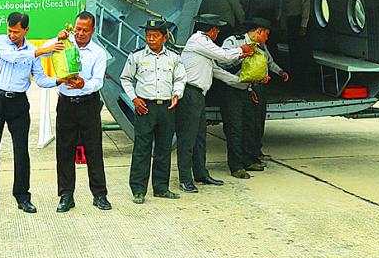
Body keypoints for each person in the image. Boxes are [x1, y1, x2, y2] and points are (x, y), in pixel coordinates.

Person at [0, 11, 61, 215]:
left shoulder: (32, 51)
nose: (12, 35)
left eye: (16, 32)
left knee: (21, 150)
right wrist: (41, 51)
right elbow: (13, 57)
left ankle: (22, 196)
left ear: (26, 30)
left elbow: (40, 79)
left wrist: (60, 81)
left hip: (19, 103)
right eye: (10, 30)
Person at [175, 14, 254, 192]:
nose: (218, 33)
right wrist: (242, 50)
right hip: (189, 94)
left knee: (199, 137)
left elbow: (218, 71)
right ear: (211, 30)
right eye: (217, 29)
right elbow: (223, 56)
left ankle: (201, 173)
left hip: (197, 95)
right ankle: (185, 179)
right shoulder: (199, 41)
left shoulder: (204, 48)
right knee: (188, 139)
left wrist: (242, 83)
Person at [120, 19, 187, 202]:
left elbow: (180, 79)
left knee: (164, 149)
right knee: (141, 149)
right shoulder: (137, 56)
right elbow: (125, 78)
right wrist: (134, 98)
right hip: (145, 108)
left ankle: (161, 188)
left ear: (165, 38)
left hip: (167, 107)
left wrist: (177, 94)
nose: (150, 39)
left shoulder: (174, 57)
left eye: (155, 36)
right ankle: (138, 190)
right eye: (148, 35)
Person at [54, 11, 112, 213]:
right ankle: (66, 195)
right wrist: (58, 38)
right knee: (64, 151)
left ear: (92, 31)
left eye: (85, 30)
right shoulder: (63, 43)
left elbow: (98, 81)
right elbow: (46, 50)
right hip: (66, 104)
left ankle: (100, 195)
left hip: (88, 104)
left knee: (93, 149)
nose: (80, 33)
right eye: (77, 29)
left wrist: (83, 84)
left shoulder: (98, 53)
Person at [219, 18, 288, 178]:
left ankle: (248, 160)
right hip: (232, 89)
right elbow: (222, 63)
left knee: (249, 126)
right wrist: (242, 55)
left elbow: (268, 63)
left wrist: (273, 74)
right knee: (235, 128)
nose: (267, 38)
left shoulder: (261, 46)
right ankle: (236, 166)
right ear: (259, 31)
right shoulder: (233, 41)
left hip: (249, 89)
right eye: (266, 34)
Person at [277, 0, 313, 82]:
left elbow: (306, 5)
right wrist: (282, 23)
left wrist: (303, 24)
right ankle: (295, 79)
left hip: (299, 19)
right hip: (291, 20)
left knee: (303, 53)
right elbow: (283, 5)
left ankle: (306, 80)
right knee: (293, 52)